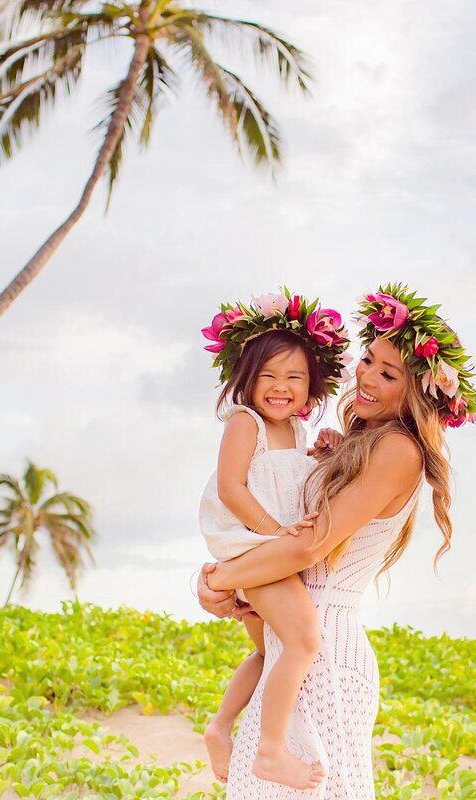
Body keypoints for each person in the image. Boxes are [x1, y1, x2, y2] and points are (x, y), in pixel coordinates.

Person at [198, 284, 476, 799]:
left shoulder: (397, 450)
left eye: (388, 373)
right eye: (368, 359)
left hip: (324, 650)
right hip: (296, 643)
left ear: (415, 391)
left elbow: (307, 549)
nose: (367, 376)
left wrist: (218, 578)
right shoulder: (355, 443)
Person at [199, 289, 351, 789]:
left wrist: (326, 452)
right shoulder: (248, 423)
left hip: (272, 552)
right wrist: (271, 533)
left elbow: (295, 486)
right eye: (267, 376)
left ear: (311, 388)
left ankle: (220, 727)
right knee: (305, 639)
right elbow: (231, 487)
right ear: (246, 380)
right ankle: (270, 750)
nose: (280, 387)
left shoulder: (299, 434)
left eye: (294, 378)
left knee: (270, 653)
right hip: (254, 548)